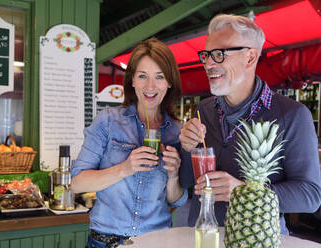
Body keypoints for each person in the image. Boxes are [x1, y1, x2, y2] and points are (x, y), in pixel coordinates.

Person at [179, 14, 321, 234]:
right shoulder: (203, 109)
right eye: (206, 55)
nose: (208, 63)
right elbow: (188, 181)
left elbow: (310, 195)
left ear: (250, 57)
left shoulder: (293, 115)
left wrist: (244, 192)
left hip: (258, 239)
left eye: (219, 54)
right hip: (202, 235)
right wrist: (186, 148)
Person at [71, 37, 187, 248]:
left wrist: (173, 176)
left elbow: (176, 200)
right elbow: (78, 183)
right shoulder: (108, 120)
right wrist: (125, 168)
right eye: (142, 76)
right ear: (132, 80)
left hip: (157, 242)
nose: (150, 86)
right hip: (105, 242)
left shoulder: (177, 133)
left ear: (169, 82)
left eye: (159, 77)